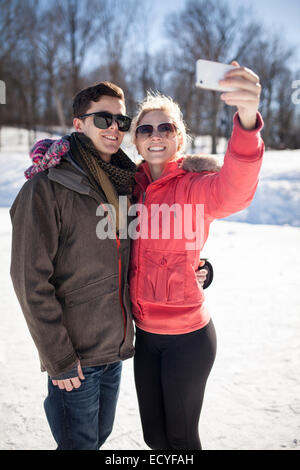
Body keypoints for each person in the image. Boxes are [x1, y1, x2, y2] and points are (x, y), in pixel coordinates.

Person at [9, 80, 210, 450]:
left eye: (121, 120)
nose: (114, 128)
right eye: (103, 119)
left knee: (97, 440)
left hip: (115, 349)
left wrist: (197, 264)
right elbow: (28, 281)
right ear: (78, 124)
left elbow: (144, 247)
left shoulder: (122, 184)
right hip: (75, 359)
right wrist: (60, 359)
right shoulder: (46, 187)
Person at [129, 62, 264, 450]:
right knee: (154, 438)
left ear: (179, 139)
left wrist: (247, 117)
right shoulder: (128, 190)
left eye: (165, 128)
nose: (155, 135)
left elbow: (235, 190)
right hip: (145, 337)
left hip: (188, 338)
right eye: (146, 129)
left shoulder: (194, 187)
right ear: (136, 141)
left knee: (182, 439)